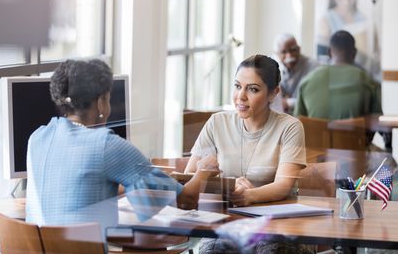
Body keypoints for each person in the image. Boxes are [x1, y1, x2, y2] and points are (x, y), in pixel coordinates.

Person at [26, 59, 219, 232]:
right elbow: (185, 201)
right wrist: (203, 171)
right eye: (109, 99)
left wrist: (130, 184)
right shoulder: (106, 145)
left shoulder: (37, 137)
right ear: (100, 103)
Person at [185, 55, 313, 253]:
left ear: (273, 93)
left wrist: (248, 196)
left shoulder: (290, 127)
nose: (241, 96)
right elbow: (190, 177)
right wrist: (229, 184)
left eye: (252, 89)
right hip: (227, 225)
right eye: (237, 86)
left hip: (276, 227)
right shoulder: (217, 123)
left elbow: (283, 186)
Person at [295, 30, 382, 120]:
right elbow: (377, 121)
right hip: (353, 134)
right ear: (354, 52)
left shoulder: (307, 81)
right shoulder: (368, 81)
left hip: (316, 134)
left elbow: (298, 121)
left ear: (329, 52)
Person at [316, 0, 380, 80]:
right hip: (336, 81)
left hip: (363, 81)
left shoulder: (365, 21)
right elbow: (321, 60)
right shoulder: (325, 21)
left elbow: (376, 58)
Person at [272, 33, 317, 114]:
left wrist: (288, 102)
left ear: (299, 49)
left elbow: (315, 100)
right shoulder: (271, 66)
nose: (289, 55)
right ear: (276, 54)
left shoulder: (313, 67)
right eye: (284, 52)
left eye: (293, 50)